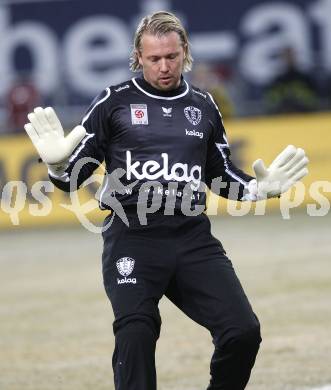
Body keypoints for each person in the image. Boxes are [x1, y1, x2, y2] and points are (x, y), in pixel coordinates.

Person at [24, 11, 308, 390]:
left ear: (185, 52)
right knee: (136, 334)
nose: (163, 66)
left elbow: (219, 175)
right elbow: (73, 178)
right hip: (132, 238)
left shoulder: (204, 106)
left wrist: (260, 188)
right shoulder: (114, 101)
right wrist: (59, 166)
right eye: (154, 58)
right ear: (138, 57)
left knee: (243, 331)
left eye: (171, 57)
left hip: (192, 238)